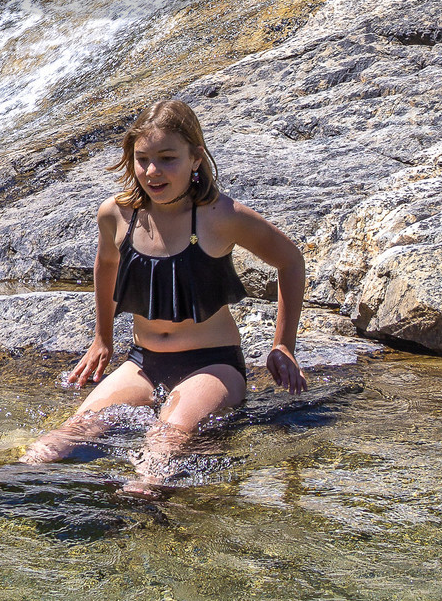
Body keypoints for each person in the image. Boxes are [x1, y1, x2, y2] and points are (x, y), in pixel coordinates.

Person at [22, 98, 307, 479]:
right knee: (54, 444)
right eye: (142, 159)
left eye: (168, 158)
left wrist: (282, 343)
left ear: (196, 158)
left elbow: (290, 261)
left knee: (160, 451)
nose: (152, 171)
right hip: (142, 363)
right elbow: (107, 264)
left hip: (212, 365)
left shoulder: (221, 216)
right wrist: (102, 338)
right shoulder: (117, 214)